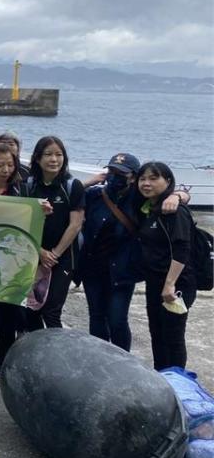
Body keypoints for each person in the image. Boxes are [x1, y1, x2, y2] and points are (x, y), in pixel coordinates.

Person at [77, 153, 189, 352]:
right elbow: (71, 198)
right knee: (96, 317)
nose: (115, 176)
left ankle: (122, 361)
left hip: (122, 270)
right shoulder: (95, 195)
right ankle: (99, 361)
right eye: (111, 171)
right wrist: (90, 181)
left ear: (132, 177)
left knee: (117, 319)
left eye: (121, 173)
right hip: (92, 269)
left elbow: (170, 195)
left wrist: (177, 195)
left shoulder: (138, 200)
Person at [0, 142, 49, 375]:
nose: (5, 170)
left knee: (8, 314)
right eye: (0, 165)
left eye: (10, 164)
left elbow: (32, 218)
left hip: (14, 261)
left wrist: (41, 209)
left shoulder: (22, 190)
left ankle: (3, 357)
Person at [134, 162, 197, 371]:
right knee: (157, 333)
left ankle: (178, 383)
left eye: (154, 178)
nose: (146, 183)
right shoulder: (149, 208)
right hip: (155, 281)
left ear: (167, 181)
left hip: (177, 283)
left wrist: (170, 285)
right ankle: (162, 377)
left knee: (173, 336)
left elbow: (182, 249)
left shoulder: (175, 211)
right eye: (143, 178)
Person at [25, 136, 85, 331]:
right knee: (31, 309)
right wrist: (40, 251)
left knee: (51, 310)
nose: (54, 159)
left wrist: (54, 255)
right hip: (34, 254)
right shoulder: (29, 185)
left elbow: (75, 225)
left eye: (59, 155)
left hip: (64, 258)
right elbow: (22, 222)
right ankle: (35, 353)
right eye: (48, 154)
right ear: (37, 158)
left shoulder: (71, 186)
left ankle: (56, 355)